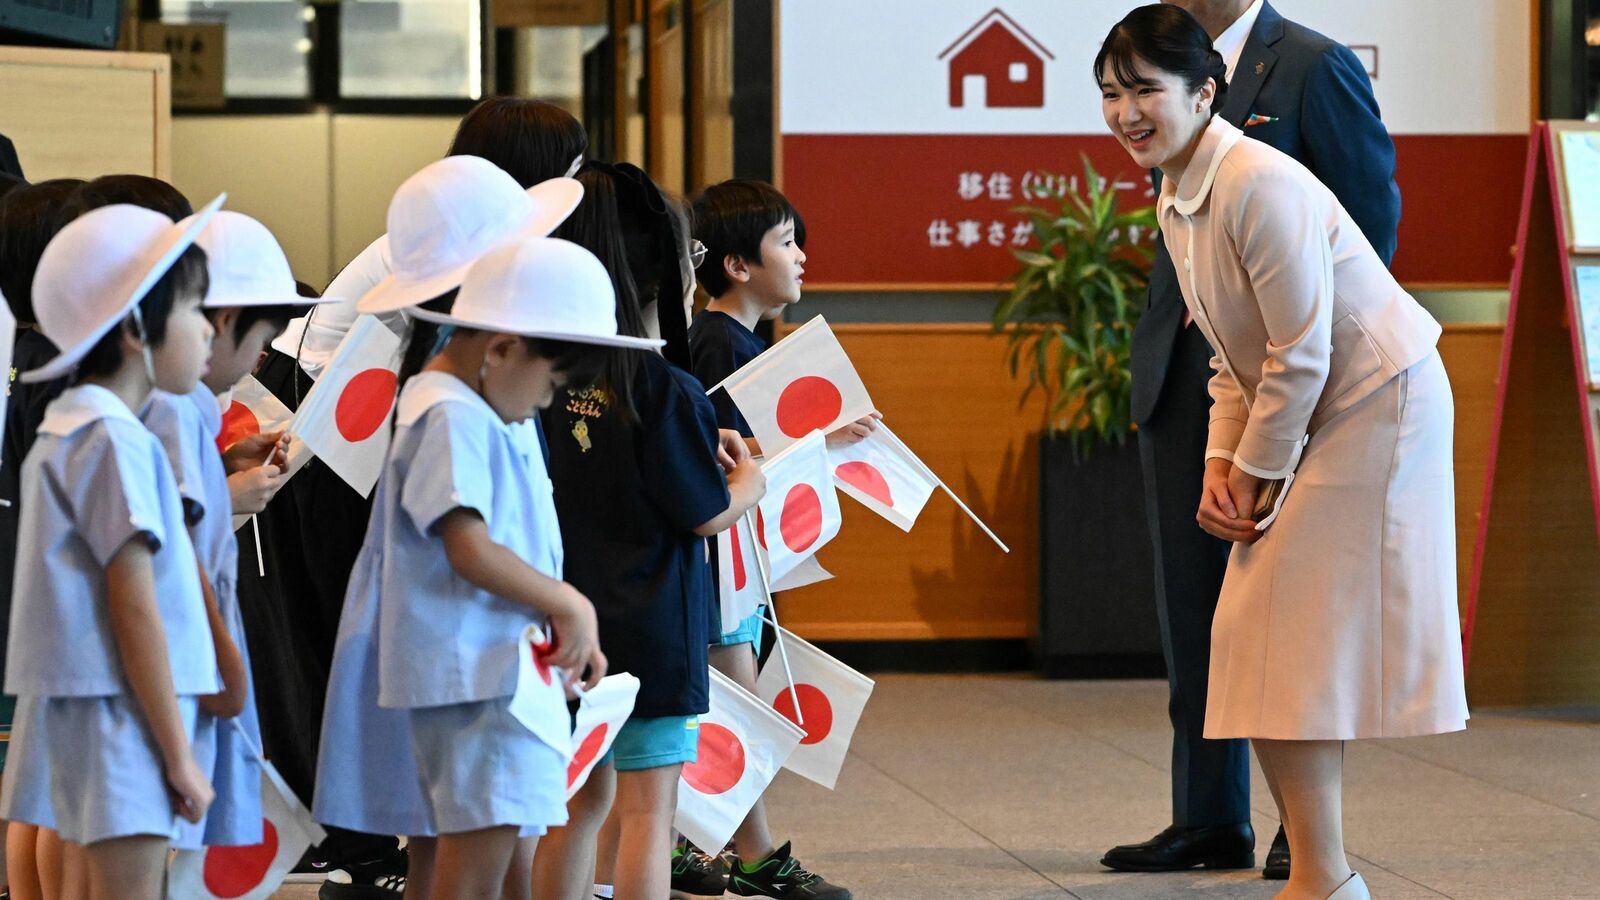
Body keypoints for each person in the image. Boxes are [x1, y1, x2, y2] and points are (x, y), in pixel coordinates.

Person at [1096, 7, 1468, 899]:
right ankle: (1321, 873)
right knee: (1255, 634)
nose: (1126, 113)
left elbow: (1299, 350)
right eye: (1111, 94)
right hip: (1312, 400)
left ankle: (1322, 877)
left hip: (1379, 401)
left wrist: (1255, 475)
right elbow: (1235, 353)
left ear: (1204, 93)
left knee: (1270, 630)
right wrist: (1224, 466)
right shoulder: (1181, 190)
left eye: (1146, 89)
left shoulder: (1257, 181)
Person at [257, 104, 588, 896]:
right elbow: (465, 543)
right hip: (466, 669)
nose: (551, 392)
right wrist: (567, 604)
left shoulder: (458, 391)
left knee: (451, 844)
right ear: (498, 332)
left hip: (475, 661)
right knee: (467, 849)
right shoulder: (447, 407)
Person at [532, 163, 766, 900]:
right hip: (656, 633)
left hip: (566, 631)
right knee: (648, 814)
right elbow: (703, 510)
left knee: (574, 806)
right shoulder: (664, 386)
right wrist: (747, 484)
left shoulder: (546, 374)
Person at [0, 199, 227, 900]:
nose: (209, 334)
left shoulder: (74, 423)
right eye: (196, 312)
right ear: (135, 328)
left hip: (100, 718)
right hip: (125, 722)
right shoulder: (116, 441)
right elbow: (134, 607)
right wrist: (178, 754)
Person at [682, 177, 870, 900]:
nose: (800, 258)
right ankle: (756, 858)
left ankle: (690, 843)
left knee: (733, 697)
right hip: (721, 557)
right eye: (785, 242)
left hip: (741, 560)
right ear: (737, 264)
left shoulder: (743, 340)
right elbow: (721, 449)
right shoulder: (713, 343)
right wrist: (819, 435)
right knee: (736, 701)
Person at [141, 211, 331, 853]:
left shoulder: (184, 402)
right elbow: (150, 536)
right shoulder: (168, 403)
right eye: (261, 344)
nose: (260, 362)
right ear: (220, 323)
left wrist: (226, 464)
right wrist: (228, 498)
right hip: (177, 648)